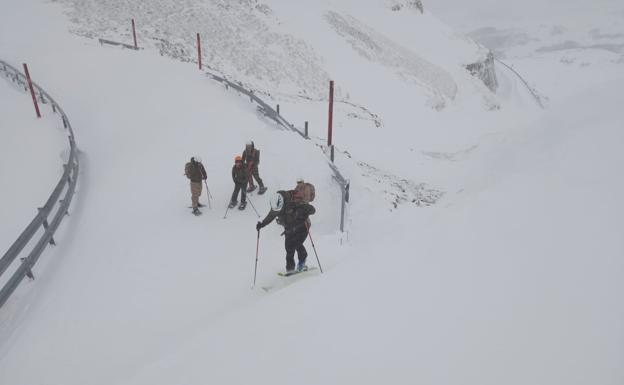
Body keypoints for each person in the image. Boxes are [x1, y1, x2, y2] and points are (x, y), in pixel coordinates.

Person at [256, 191, 316, 273]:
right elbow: (271, 216)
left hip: (302, 225)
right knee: (288, 247)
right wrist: (262, 224)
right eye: (276, 210)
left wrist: (305, 210)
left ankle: (302, 261)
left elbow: (312, 210)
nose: (277, 211)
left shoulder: (294, 200)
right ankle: (290, 269)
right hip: (289, 228)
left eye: (279, 209)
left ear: (282, 202)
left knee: (296, 243)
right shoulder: (276, 206)